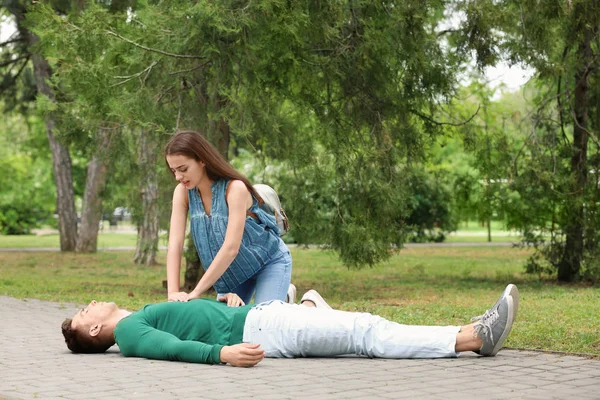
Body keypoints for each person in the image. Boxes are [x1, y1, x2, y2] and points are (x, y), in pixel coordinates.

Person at [60, 285, 519, 367]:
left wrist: (223, 305)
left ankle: (312, 305)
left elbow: (188, 324)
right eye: (85, 312)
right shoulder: (129, 333)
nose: (91, 304)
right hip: (263, 330)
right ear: (96, 332)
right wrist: (220, 354)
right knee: (367, 334)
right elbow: (169, 348)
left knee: (361, 332)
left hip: (257, 319)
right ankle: (473, 337)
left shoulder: (133, 317)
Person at [164, 130, 293, 305]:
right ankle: (280, 300)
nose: (178, 177)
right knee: (225, 329)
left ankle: (302, 302)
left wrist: (196, 292)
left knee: (264, 322)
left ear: (202, 160)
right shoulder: (183, 193)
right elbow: (175, 243)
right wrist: (173, 292)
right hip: (231, 274)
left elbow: (231, 248)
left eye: (183, 169)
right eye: (173, 171)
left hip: (268, 262)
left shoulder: (235, 189)